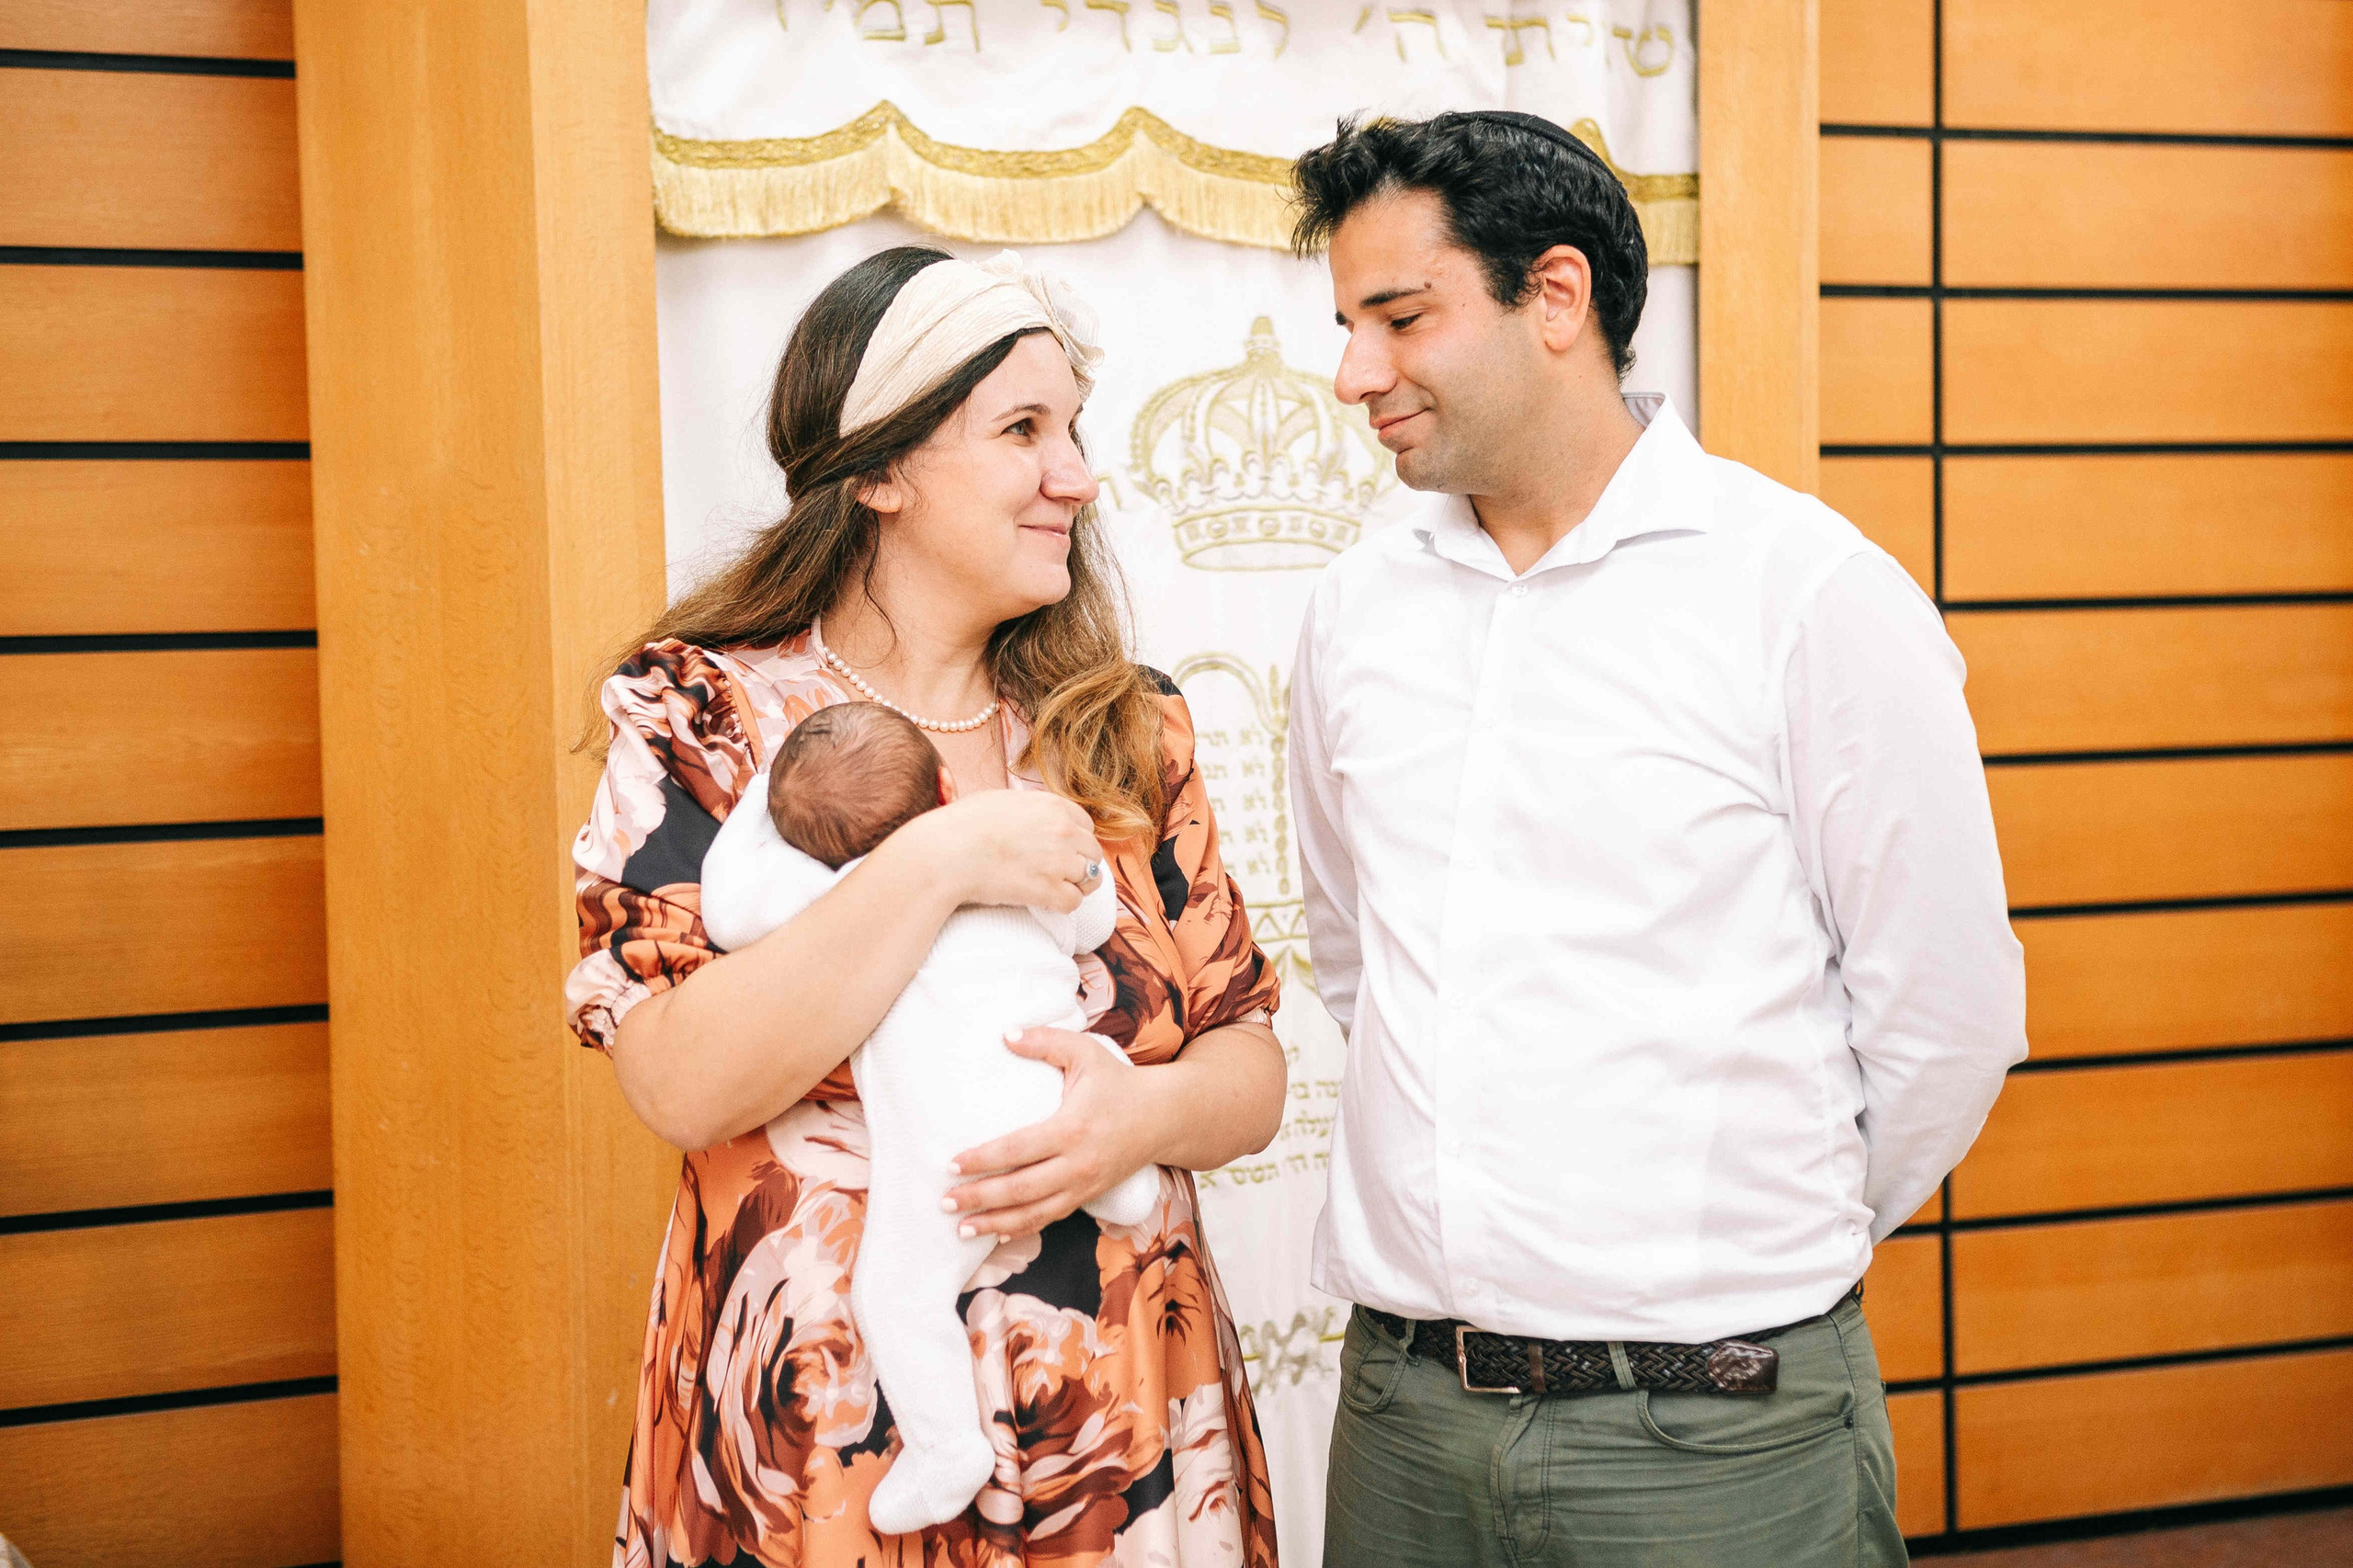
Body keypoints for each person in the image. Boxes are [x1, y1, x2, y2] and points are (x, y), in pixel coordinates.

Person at [1283, 112, 2028, 1566]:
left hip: (1722, 1436)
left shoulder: (1805, 594)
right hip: (1407, 1422)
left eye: (1399, 317)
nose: (1354, 373)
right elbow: (1356, 958)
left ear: (1555, 297)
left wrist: (1746, 1248)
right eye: (1344, 325)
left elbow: (1944, 1018)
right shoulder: (1355, 611)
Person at [567, 245, 1287, 1567]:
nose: (1076, 472)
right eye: (1022, 429)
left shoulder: (1129, 730)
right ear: (880, 471)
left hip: (1118, 1424)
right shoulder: (709, 720)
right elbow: (678, 1080)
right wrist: (940, 860)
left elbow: (1249, 1059)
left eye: (1074, 428)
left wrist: (1144, 1113)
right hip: (829, 1443)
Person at [694, 699, 1158, 1535]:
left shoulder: (830, 890)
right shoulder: (1012, 865)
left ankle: (949, 1449)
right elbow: (1092, 914)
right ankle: (1122, 1184)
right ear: (948, 787)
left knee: (895, 1294)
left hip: (955, 1167)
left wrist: (767, 791)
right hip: (1052, 1088)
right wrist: (1075, 854)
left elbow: (728, 911)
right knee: (1099, 1072)